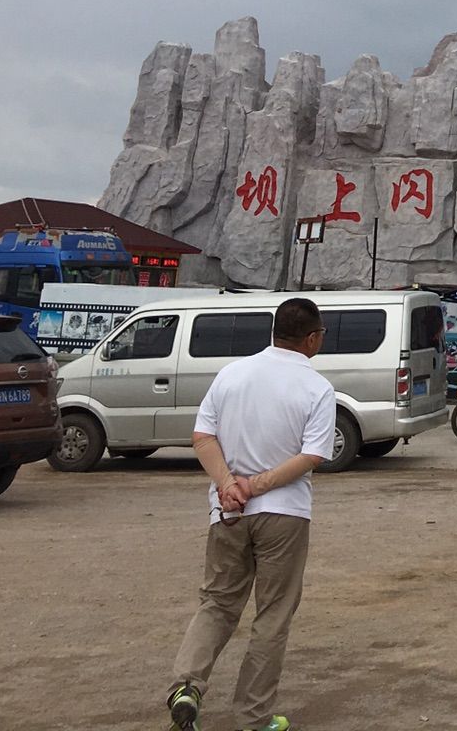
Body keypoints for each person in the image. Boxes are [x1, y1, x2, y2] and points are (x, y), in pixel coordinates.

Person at [164, 297, 336, 731]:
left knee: (218, 602)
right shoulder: (316, 388)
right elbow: (312, 455)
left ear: (274, 331)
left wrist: (228, 485)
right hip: (285, 513)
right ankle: (254, 717)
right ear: (312, 338)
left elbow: (202, 437)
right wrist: (255, 486)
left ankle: (187, 685)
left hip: (227, 513)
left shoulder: (232, 374)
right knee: (272, 614)